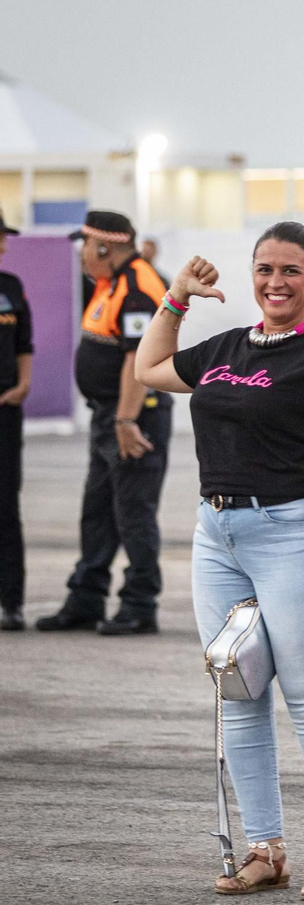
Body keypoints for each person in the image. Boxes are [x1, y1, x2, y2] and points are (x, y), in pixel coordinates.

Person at [134, 221, 304, 900]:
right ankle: (264, 847)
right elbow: (151, 369)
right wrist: (177, 297)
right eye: (264, 270)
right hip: (217, 532)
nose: (275, 282)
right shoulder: (224, 348)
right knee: (239, 690)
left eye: (290, 271)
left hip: (297, 529)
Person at [37, 211, 170, 635]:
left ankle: (139, 604)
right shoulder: (109, 282)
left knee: (133, 512)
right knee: (97, 511)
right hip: (109, 415)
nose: (81, 254)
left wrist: (126, 420)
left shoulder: (138, 286)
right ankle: (86, 599)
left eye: (86, 245)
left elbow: (137, 359)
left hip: (133, 414)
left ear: (104, 246)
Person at [0, 209, 32, 631]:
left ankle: (11, 602)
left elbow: (25, 343)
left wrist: (24, 384)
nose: (5, 243)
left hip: (6, 410)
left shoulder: (10, 287)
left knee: (6, 506)